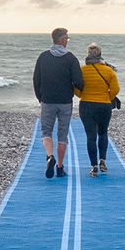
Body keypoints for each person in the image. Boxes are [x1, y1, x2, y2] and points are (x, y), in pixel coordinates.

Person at [33, 27, 83, 178]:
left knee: (46, 132)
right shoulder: (71, 58)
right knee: (62, 135)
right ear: (62, 40)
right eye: (67, 38)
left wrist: (40, 97)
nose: (67, 41)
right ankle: (60, 168)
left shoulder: (43, 57)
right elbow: (79, 82)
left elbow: (36, 79)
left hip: (48, 100)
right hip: (65, 102)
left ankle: (50, 156)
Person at [75, 43, 120, 178]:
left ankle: (93, 166)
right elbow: (116, 89)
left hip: (86, 105)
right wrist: (107, 97)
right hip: (104, 106)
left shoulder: (82, 70)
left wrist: (83, 96)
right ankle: (103, 161)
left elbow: (76, 88)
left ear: (88, 55)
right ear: (100, 55)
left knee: (90, 136)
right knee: (103, 133)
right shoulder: (108, 70)